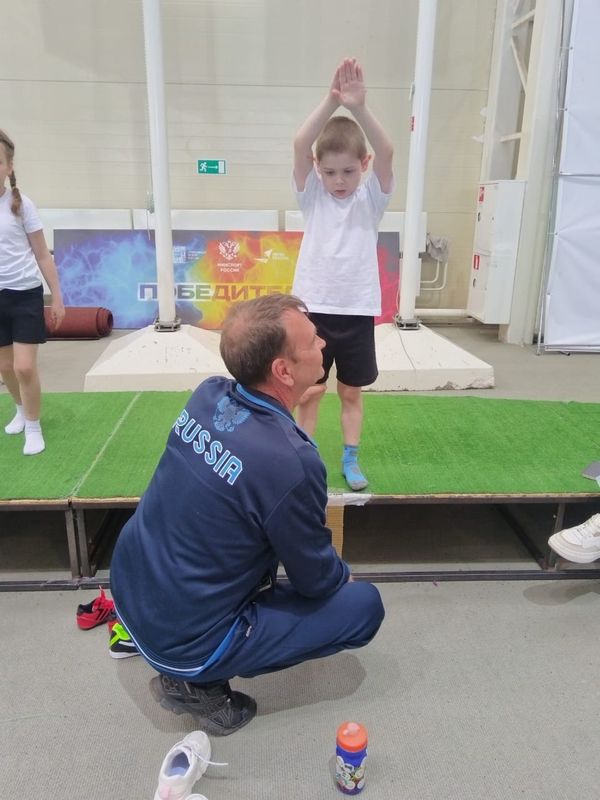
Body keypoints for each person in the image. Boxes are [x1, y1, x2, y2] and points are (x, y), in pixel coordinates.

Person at [110, 294, 385, 736]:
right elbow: (317, 580)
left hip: (130, 585)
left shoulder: (208, 394)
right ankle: (196, 683)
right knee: (362, 607)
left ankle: (159, 637)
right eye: (313, 341)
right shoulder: (291, 462)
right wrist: (341, 577)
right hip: (186, 638)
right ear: (283, 371)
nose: (323, 343)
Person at [292, 57, 394, 491]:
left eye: (348, 171)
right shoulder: (312, 195)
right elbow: (301, 143)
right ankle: (304, 459)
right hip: (313, 310)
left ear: (363, 164)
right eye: (330, 171)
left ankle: (351, 458)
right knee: (310, 391)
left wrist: (359, 108)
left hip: (355, 312)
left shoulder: (370, 199)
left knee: (350, 391)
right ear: (318, 168)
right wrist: (331, 101)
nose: (339, 180)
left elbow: (388, 151)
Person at [0, 130, 64, 455]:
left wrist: (58, 297)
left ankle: (34, 426)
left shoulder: (21, 206)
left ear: (9, 166)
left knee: (24, 367)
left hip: (24, 294)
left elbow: (42, 254)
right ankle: (20, 410)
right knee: (5, 367)